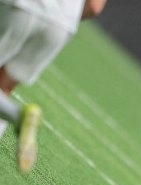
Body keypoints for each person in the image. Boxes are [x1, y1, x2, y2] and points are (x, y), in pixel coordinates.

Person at [0, 0, 107, 172]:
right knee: (4, 87)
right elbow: (94, 7)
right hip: (62, 23)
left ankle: (17, 115)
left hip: (23, 6)